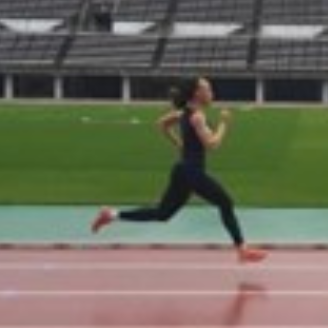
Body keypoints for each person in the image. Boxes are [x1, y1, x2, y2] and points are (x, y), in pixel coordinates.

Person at [91, 77, 267, 263]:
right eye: (208, 89)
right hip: (192, 172)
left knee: (163, 214)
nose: (212, 92)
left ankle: (111, 215)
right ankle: (241, 249)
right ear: (197, 94)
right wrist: (224, 123)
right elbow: (212, 144)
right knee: (226, 203)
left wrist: (179, 144)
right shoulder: (197, 117)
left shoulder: (184, 113)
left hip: (182, 170)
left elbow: (161, 124)